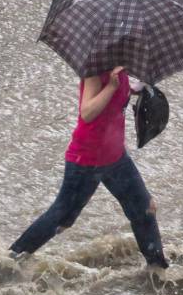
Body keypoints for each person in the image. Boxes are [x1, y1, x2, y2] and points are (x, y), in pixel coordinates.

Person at [10, 66, 169, 270]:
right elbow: (87, 112)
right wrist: (111, 87)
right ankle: (10, 261)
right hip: (87, 159)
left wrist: (137, 87)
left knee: (145, 209)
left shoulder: (120, 68)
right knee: (63, 218)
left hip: (115, 157)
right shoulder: (95, 68)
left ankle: (157, 270)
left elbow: (120, 96)